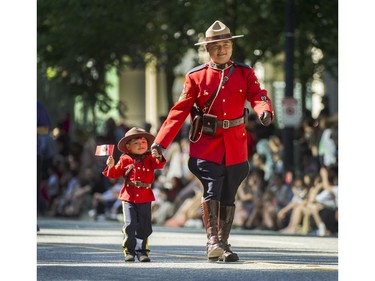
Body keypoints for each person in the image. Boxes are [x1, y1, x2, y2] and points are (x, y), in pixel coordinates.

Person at [150, 20, 274, 262]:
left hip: (236, 145)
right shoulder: (196, 77)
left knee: (229, 194)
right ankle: (212, 241)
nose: (222, 50)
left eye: (226, 45)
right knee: (211, 188)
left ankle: (224, 245)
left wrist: (263, 110)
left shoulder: (244, 72)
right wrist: (160, 143)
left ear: (231, 47)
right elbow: (178, 112)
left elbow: (258, 95)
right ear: (207, 49)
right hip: (207, 144)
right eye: (216, 46)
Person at [103, 127, 166, 262]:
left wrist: (158, 156)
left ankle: (142, 251)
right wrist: (111, 166)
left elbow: (159, 164)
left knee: (144, 225)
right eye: (136, 143)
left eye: (143, 143)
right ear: (128, 146)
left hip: (145, 196)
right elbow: (114, 174)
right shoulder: (125, 158)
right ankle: (129, 250)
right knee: (130, 224)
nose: (141, 146)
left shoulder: (150, 157)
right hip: (129, 196)